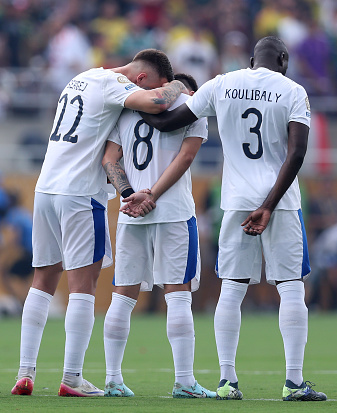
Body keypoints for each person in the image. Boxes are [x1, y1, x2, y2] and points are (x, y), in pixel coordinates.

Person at [141, 36, 327, 402]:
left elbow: (169, 122)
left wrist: (134, 106)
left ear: (252, 59)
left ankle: (227, 381)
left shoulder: (221, 83)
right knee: (291, 287)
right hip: (281, 203)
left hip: (236, 199)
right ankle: (293, 382)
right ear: (283, 59)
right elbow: (297, 153)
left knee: (231, 288)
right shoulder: (293, 90)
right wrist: (269, 205)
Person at [12, 49, 188, 397]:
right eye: (153, 84)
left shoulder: (81, 78)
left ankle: (25, 373)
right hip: (79, 194)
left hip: (45, 189)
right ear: (141, 78)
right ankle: (72, 377)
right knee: (83, 285)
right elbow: (157, 103)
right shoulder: (113, 83)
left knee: (43, 280)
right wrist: (179, 86)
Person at [101, 73, 214, 398]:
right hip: (174, 212)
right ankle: (185, 382)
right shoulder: (193, 106)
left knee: (122, 296)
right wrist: (152, 195)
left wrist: (130, 195)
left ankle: (112, 380)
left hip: (131, 212)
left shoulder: (127, 109)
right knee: (178, 295)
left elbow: (109, 159)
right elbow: (186, 157)